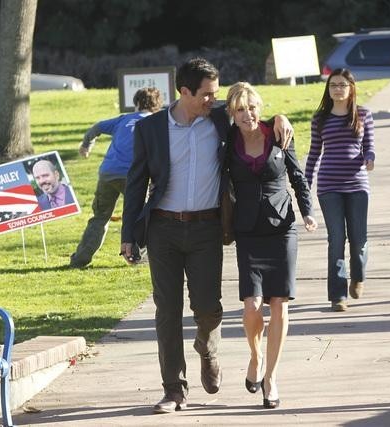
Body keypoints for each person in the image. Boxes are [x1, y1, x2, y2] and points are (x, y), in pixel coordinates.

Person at [120, 58, 293, 414]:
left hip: (206, 228)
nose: (214, 101)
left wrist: (278, 119)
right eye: (207, 94)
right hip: (163, 230)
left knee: (208, 309)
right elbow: (135, 184)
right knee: (167, 311)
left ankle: (208, 348)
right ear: (184, 92)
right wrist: (128, 235)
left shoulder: (219, 121)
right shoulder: (151, 130)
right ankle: (174, 389)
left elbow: (251, 116)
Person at [225, 82, 317, 409]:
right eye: (240, 109)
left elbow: (297, 177)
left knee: (279, 303)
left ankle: (271, 378)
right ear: (231, 113)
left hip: (282, 227)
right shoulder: (228, 141)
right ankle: (256, 356)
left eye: (252, 107)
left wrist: (307, 212)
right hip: (248, 230)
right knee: (252, 305)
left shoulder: (279, 134)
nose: (248, 114)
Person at [304, 68, 375, 312]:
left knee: (359, 240)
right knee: (336, 239)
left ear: (351, 88)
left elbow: (369, 146)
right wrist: (306, 185)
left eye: (342, 85)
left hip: (357, 184)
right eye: (333, 85)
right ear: (328, 89)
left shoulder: (363, 114)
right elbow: (314, 153)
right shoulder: (320, 118)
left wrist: (370, 158)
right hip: (329, 186)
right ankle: (338, 295)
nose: (337, 89)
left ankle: (358, 275)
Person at [69, 87, 163, 268]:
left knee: (100, 217)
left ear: (136, 104)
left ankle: (80, 259)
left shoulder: (123, 119)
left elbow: (97, 127)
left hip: (108, 173)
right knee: (139, 217)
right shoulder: (154, 122)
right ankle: (138, 257)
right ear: (158, 106)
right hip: (133, 176)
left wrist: (86, 145)